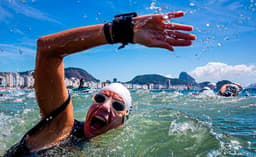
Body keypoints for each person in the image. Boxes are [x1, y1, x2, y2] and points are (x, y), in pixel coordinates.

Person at [5, 11, 196, 156]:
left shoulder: (107, 147)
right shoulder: (62, 127)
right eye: (100, 98)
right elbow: (47, 49)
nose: (104, 107)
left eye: (117, 105)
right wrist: (121, 30)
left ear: (123, 119)